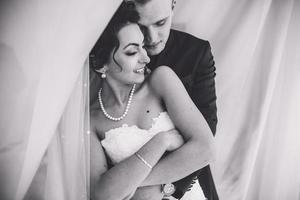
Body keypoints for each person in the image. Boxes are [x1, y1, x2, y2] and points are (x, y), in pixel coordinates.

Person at [89, 2, 215, 200]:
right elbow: (102, 194)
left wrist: (144, 186)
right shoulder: (91, 118)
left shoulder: (182, 63)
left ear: (173, 5)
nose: (151, 42)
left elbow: (205, 144)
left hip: (184, 187)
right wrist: (162, 141)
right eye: (132, 51)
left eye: (160, 23)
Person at [125, 0, 218, 199]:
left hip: (183, 180)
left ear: (173, 5)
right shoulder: (110, 57)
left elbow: (206, 131)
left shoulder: (196, 52)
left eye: (160, 23)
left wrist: (163, 186)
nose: (151, 38)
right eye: (141, 26)